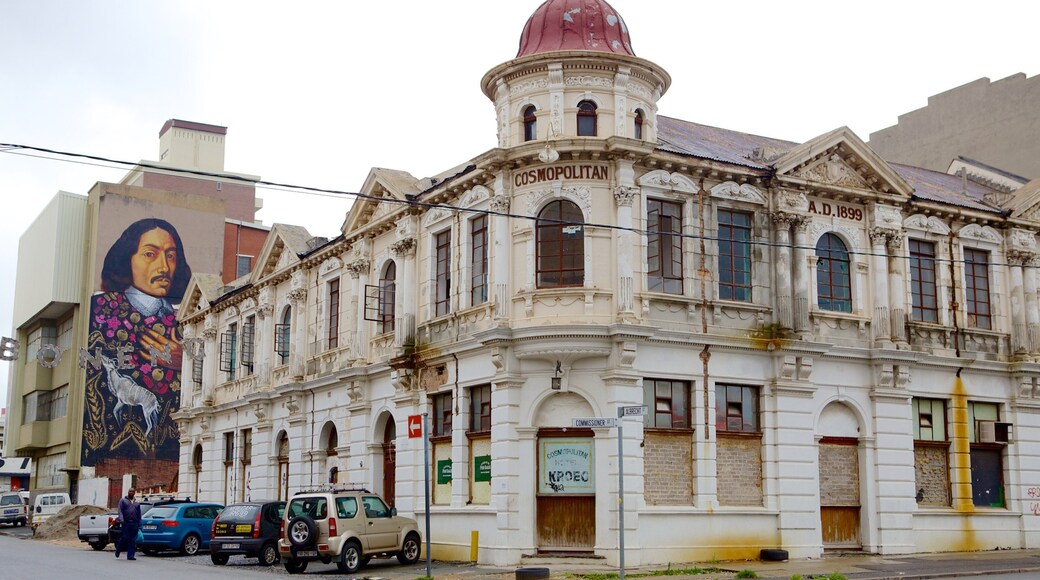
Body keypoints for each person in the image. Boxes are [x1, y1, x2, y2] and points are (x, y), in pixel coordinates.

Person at [81, 218, 193, 466]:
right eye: (150, 254)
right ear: (127, 259)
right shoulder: (102, 309)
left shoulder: (188, 316)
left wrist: (181, 361)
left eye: (171, 256)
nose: (164, 266)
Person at [115, 488, 141, 560]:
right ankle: (118, 549)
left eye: (132, 491)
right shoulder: (123, 500)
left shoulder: (137, 502)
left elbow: (139, 514)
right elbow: (120, 511)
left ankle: (130, 555)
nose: (131, 492)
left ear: (134, 493)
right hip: (126, 522)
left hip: (134, 523)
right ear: (128, 492)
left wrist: (139, 524)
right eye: (130, 491)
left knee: (133, 540)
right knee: (125, 538)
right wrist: (121, 519)